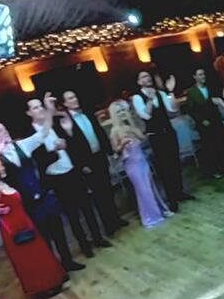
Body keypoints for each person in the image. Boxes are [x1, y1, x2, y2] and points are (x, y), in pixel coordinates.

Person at [0, 120, 82, 273]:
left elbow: (42, 133)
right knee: (42, 239)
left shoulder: (22, 145)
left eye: (4, 129)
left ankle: (68, 262)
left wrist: (49, 111)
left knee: (59, 231)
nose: (4, 132)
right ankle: (54, 270)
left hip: (43, 195)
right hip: (26, 205)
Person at [27, 98, 112, 259]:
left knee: (87, 207)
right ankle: (85, 246)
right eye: (35, 108)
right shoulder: (30, 135)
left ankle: (98, 238)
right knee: (73, 215)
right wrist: (54, 150)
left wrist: (68, 141)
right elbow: (39, 160)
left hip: (73, 171)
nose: (40, 110)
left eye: (41, 106)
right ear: (29, 113)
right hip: (57, 178)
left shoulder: (54, 124)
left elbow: (72, 143)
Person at [0, 148, 67, 298]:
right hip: (13, 227)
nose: (2, 167)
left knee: (40, 254)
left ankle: (53, 280)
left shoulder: (5, 183)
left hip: (25, 220)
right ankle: (40, 288)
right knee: (29, 260)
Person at [58, 92, 126, 236]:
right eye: (70, 98)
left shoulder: (87, 113)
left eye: (75, 96)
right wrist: (81, 165)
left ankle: (115, 218)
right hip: (87, 163)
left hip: (99, 156)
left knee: (108, 188)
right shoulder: (65, 121)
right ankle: (108, 225)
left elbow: (100, 133)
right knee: (99, 194)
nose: (75, 99)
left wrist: (109, 151)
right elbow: (71, 147)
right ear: (64, 104)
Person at [107, 100, 173, 228]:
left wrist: (133, 129)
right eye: (118, 112)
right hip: (131, 165)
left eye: (123, 111)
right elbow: (115, 150)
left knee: (152, 187)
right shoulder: (115, 131)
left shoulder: (131, 126)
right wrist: (123, 144)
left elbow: (143, 138)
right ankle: (151, 217)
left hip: (142, 160)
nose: (122, 114)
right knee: (143, 191)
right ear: (114, 115)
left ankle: (162, 210)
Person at [132, 71, 192, 211]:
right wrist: (150, 99)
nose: (147, 78)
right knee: (164, 168)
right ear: (138, 82)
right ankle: (171, 199)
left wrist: (170, 92)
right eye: (143, 77)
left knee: (175, 163)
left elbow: (173, 109)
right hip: (156, 135)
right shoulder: (137, 98)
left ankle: (179, 192)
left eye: (148, 76)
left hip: (169, 132)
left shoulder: (160, 93)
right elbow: (146, 115)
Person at [182, 69, 224, 179]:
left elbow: (215, 105)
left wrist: (221, 119)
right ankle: (214, 170)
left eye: (203, 74)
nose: (203, 76)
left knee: (221, 144)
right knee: (210, 147)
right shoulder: (191, 92)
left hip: (216, 120)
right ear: (195, 77)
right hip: (204, 124)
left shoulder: (210, 88)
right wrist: (201, 120)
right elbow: (191, 110)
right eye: (200, 75)